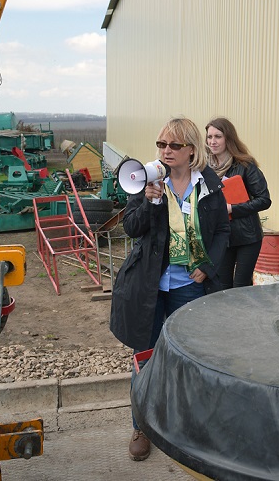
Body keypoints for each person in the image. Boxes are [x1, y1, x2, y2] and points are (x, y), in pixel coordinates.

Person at [109, 117, 230, 461]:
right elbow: (131, 229)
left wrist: (208, 267)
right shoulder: (148, 181)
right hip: (151, 287)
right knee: (145, 360)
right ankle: (141, 427)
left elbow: (222, 231)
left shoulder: (208, 185)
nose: (166, 151)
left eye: (174, 145)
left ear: (191, 150)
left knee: (188, 360)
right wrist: (150, 202)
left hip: (188, 288)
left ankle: (184, 427)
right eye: (161, 145)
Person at [205, 117, 271, 289]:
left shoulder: (245, 165)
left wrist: (231, 209)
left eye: (217, 136)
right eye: (209, 137)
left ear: (228, 138)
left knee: (241, 286)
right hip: (221, 236)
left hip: (247, 236)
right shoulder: (204, 168)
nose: (212, 141)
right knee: (223, 285)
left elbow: (264, 200)